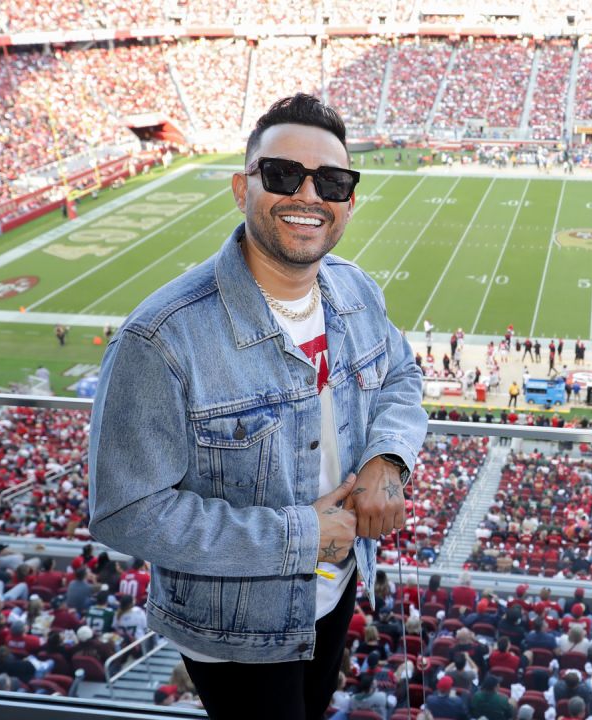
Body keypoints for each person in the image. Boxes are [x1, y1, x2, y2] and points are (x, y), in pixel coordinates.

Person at [88, 93, 427, 720]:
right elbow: (126, 512)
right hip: (236, 627)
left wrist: (388, 457)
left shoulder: (355, 289)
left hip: (337, 585)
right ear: (242, 188)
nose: (308, 195)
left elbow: (403, 375)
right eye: (281, 175)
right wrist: (300, 538)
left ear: (349, 200)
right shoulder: (161, 337)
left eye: (331, 180)